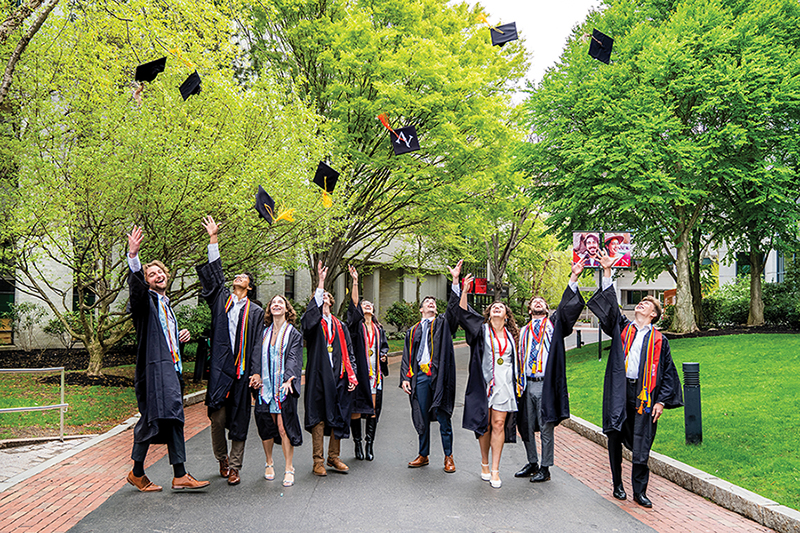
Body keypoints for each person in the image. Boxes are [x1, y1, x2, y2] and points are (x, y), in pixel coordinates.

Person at [587, 251, 683, 508]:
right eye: (640, 303)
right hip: (620, 391)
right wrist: (607, 272)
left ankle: (640, 491)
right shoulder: (623, 328)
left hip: (644, 397)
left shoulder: (660, 340)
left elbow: (668, 374)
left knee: (642, 442)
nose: (640, 304)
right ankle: (617, 484)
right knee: (615, 436)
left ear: (654, 314)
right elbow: (609, 309)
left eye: (646, 304)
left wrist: (661, 402)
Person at [125, 225, 209, 492]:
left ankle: (175, 473)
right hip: (154, 370)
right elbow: (136, 292)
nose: (157, 275)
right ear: (146, 280)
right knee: (155, 417)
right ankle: (144, 472)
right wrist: (134, 256)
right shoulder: (145, 301)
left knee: (172, 417)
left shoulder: (166, 304)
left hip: (170, 368)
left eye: (160, 272)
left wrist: (178, 334)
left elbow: (163, 337)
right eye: (151, 274)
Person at [195, 216, 265, 486]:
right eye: (237, 276)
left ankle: (235, 467)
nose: (238, 277)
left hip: (242, 373)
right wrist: (214, 239)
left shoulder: (256, 312)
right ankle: (221, 458)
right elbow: (215, 275)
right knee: (216, 417)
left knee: (239, 421)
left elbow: (258, 342)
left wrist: (257, 372)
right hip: (220, 370)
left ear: (249, 286)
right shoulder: (221, 301)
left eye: (244, 277)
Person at [514, 261, 586, 483]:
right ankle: (532, 462)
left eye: (542, 302)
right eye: (534, 301)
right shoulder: (523, 331)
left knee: (545, 426)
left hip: (545, 383)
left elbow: (566, 307)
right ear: (529, 309)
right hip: (525, 382)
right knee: (525, 425)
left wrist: (573, 278)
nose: (538, 303)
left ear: (547, 309)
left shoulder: (554, 325)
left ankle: (545, 467)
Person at [449, 263, 520, 489]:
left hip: (504, 383)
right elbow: (462, 315)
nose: (497, 308)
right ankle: (484, 463)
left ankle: (496, 470)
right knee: (485, 425)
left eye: (502, 307)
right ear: (489, 313)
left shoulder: (512, 336)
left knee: (499, 424)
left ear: (507, 315)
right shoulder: (481, 329)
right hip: (483, 383)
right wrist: (464, 289)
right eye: (494, 306)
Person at [301, 261, 358, 476]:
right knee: (318, 416)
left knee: (339, 415)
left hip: (339, 376)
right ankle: (318, 460)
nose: (324, 297)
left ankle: (334, 457)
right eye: (320, 296)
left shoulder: (340, 325)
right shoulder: (313, 324)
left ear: (332, 302)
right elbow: (307, 323)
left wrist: (352, 375)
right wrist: (320, 282)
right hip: (318, 376)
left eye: (326, 296)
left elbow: (349, 352)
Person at [400, 267, 458, 473]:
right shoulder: (413, 330)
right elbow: (407, 356)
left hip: (438, 375)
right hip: (420, 376)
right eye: (427, 302)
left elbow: (453, 310)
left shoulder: (442, 323)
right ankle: (423, 454)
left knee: (443, 415)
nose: (431, 303)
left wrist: (455, 281)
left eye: (433, 302)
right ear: (421, 309)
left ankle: (448, 457)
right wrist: (405, 378)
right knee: (421, 414)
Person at [254, 294, 303, 487]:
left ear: (286, 309)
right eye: (273, 303)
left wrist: (288, 378)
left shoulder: (293, 334)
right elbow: (255, 356)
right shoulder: (263, 333)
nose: (276, 305)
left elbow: (293, 357)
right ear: (270, 309)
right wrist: (256, 374)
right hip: (264, 388)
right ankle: (269, 462)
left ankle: (289, 468)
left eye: (280, 303)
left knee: (284, 428)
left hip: (283, 387)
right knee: (266, 428)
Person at [346, 265, 389, 461]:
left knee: (372, 410)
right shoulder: (356, 327)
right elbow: (354, 304)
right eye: (364, 305)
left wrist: (384, 354)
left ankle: (369, 443)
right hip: (361, 373)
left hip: (375, 375)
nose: (367, 306)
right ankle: (357, 445)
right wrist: (355, 281)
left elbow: (384, 346)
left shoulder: (379, 329)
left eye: (369, 304)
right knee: (356, 409)